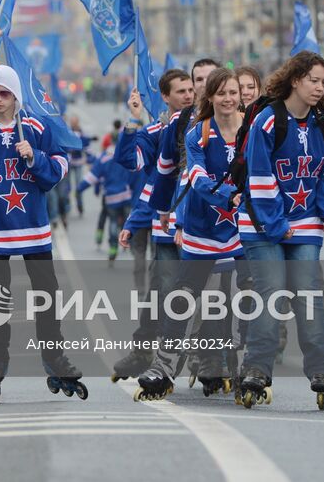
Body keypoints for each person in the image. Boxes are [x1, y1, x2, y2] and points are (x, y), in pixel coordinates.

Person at [0, 65, 83, 403]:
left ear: (16, 97)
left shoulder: (36, 128)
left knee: (47, 294)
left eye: (4, 93)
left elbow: (57, 171)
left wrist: (35, 157)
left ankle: (54, 356)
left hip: (34, 228)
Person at [231, 51, 324, 408]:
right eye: (313, 80)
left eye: (323, 82)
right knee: (272, 290)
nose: (318, 87)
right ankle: (257, 369)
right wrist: (278, 226)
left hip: (305, 220)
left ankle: (322, 369)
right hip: (263, 222)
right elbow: (259, 180)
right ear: (295, 80)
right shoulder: (267, 120)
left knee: (308, 290)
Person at [135, 67, 247, 399]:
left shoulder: (254, 130)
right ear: (209, 98)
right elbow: (195, 178)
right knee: (183, 298)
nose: (227, 99)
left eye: (233, 93)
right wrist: (228, 195)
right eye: (221, 93)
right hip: (202, 228)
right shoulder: (197, 132)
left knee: (240, 301)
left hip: (242, 228)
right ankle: (163, 367)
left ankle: (242, 366)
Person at [111, 68, 193, 380]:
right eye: (181, 91)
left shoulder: (206, 129)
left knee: (213, 297)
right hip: (167, 227)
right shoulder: (158, 133)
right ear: (165, 96)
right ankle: (149, 353)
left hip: (206, 228)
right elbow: (134, 165)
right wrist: (133, 121)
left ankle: (212, 357)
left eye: (191, 90)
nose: (188, 95)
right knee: (162, 293)